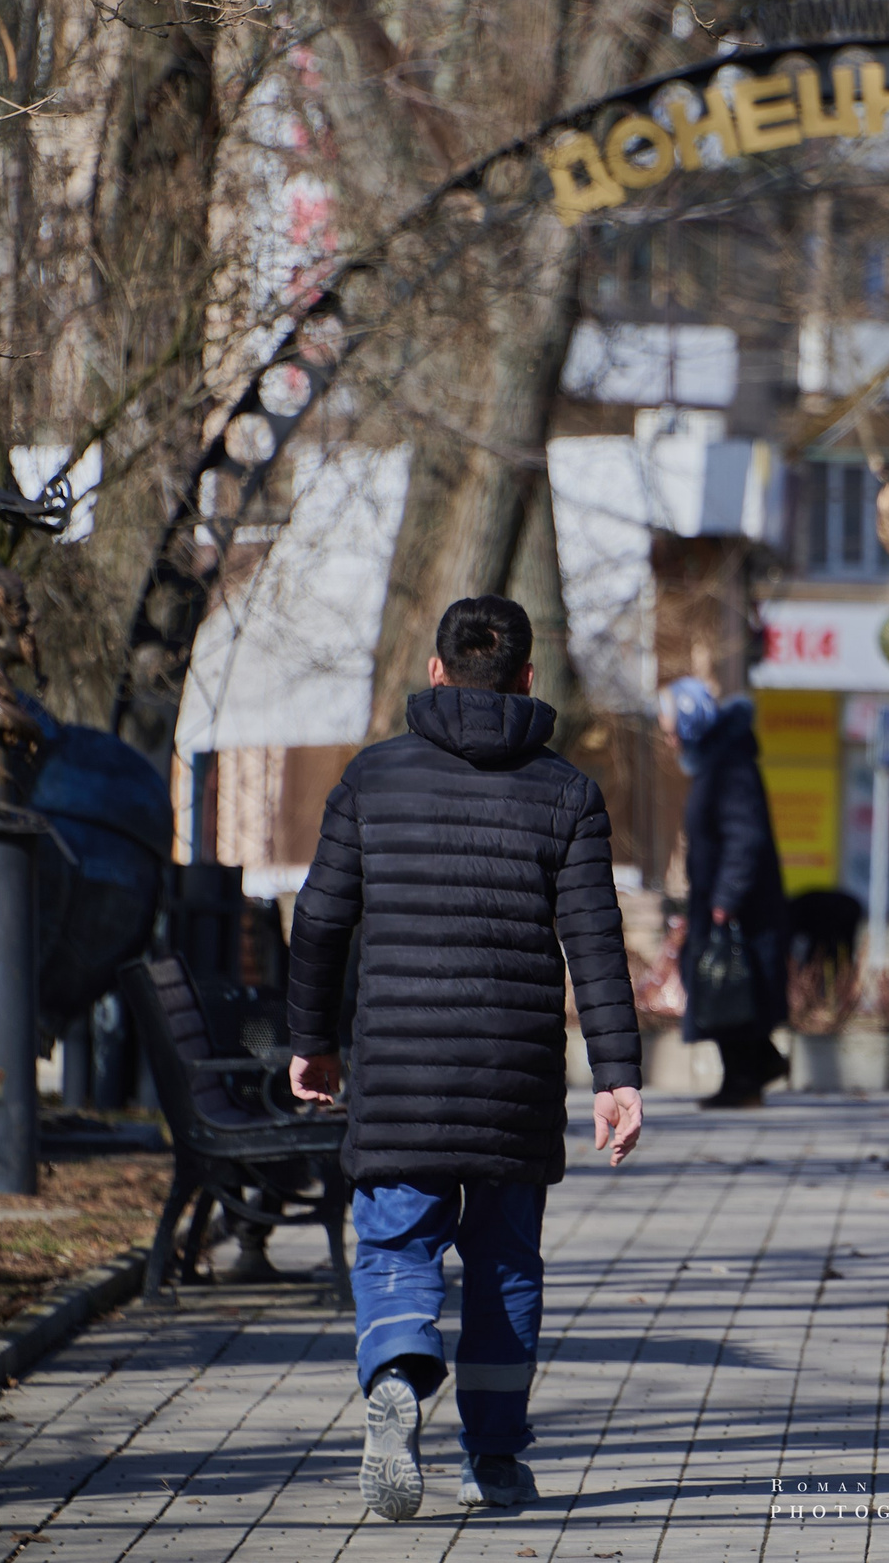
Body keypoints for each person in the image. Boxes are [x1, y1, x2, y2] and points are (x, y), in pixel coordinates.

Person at [287, 595, 644, 1521]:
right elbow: (595, 942)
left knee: (395, 1242)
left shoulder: (371, 778)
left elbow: (319, 918)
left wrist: (312, 1041)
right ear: (526, 677)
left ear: (436, 670)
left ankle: (396, 1373)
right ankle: (492, 1458)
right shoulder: (566, 792)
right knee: (504, 1265)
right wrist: (617, 1076)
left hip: (399, 1077)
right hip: (511, 1082)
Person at [659, 676, 791, 1109]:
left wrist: (726, 898)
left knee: (728, 987)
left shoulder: (729, 765)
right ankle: (750, 1073)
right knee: (720, 986)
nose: (668, 738)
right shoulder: (716, 762)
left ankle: (748, 1076)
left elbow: (744, 835)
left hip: (739, 908)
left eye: (671, 728)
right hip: (719, 901)